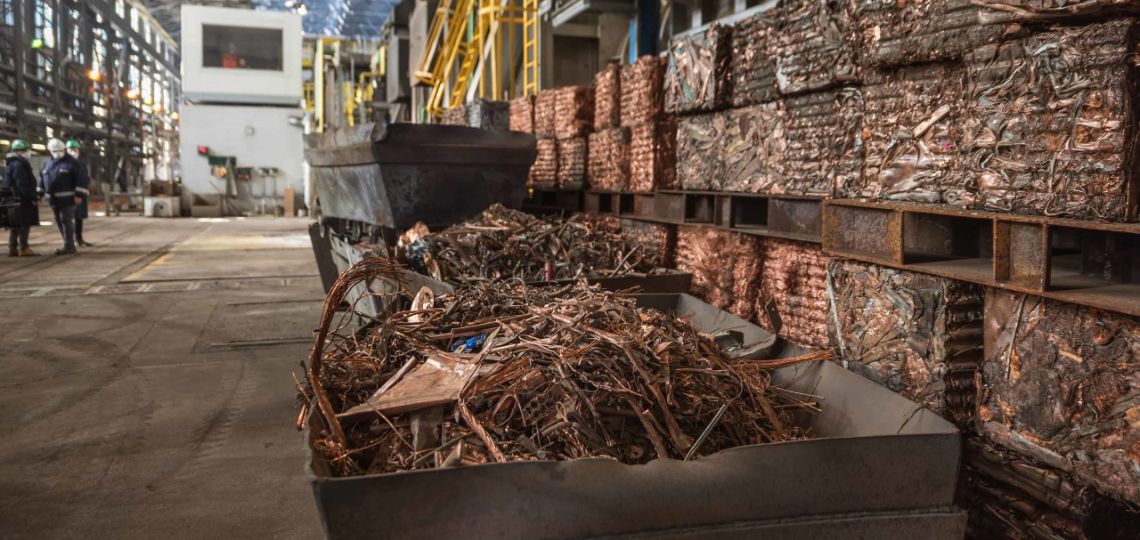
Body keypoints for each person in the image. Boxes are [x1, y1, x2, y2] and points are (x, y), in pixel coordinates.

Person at [40, 138, 88, 255]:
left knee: (66, 220)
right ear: (50, 151)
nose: (57, 153)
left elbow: (82, 180)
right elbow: (42, 181)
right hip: (53, 200)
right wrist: (39, 194)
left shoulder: (73, 163)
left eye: (60, 150)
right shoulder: (47, 165)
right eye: (54, 151)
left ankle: (69, 246)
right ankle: (68, 242)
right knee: (59, 221)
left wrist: (78, 195)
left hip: (68, 199)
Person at [3, 139, 40, 257]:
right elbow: (22, 184)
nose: (27, 153)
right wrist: (33, 197)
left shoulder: (12, 163)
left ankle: (12, 248)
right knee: (25, 223)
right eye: (25, 151)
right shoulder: (19, 165)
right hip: (22, 199)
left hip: (12, 199)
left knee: (15, 224)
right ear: (18, 152)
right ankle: (24, 247)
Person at [65, 140, 93, 247]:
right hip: (68, 194)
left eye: (75, 149)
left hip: (79, 194)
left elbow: (85, 178)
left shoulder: (81, 164)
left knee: (79, 217)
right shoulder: (64, 164)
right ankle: (68, 240)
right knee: (67, 218)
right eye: (70, 149)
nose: (73, 151)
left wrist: (85, 189)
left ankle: (79, 238)